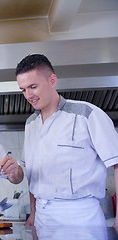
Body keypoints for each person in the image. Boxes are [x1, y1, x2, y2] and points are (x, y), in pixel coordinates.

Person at [15, 54, 118, 228]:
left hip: (81, 217)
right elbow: (33, 174)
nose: (28, 95)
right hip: (41, 217)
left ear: (52, 80)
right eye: (23, 90)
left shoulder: (87, 114)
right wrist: (33, 213)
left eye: (33, 87)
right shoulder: (30, 124)